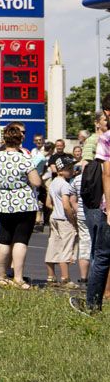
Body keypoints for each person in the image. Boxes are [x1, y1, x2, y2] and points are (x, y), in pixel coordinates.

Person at [0, 125, 41, 289]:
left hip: (4, 202)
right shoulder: (24, 157)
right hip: (24, 202)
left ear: (4, 139)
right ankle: (18, 278)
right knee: (20, 240)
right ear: (20, 140)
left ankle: (2, 276)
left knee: (4, 240)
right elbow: (36, 181)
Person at [71, 96, 110, 315]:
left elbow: (107, 173)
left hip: (105, 205)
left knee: (102, 256)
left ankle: (92, 307)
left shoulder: (105, 138)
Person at [45, 155, 80, 288]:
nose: (72, 171)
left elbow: (48, 203)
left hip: (54, 217)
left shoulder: (53, 183)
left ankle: (51, 276)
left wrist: (57, 209)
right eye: (69, 168)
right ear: (60, 170)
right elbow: (66, 205)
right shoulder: (65, 185)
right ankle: (65, 278)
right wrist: (72, 219)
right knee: (66, 247)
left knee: (53, 245)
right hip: (64, 219)